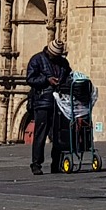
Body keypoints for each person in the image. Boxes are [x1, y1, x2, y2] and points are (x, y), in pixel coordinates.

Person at [25, 38, 70, 173]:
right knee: (41, 134)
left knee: (58, 134)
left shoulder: (63, 63)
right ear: (49, 52)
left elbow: (68, 75)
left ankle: (56, 164)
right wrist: (46, 80)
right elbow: (30, 79)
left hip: (59, 102)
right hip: (43, 102)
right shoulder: (37, 60)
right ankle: (36, 164)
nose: (56, 58)